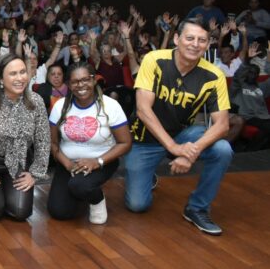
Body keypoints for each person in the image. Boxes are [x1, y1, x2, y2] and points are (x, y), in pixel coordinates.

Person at [125, 18, 232, 235]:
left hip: (183, 134)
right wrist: (174, 149)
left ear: (208, 44)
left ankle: (197, 208)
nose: (195, 44)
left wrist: (191, 152)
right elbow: (144, 110)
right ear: (176, 38)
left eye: (202, 40)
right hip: (144, 140)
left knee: (223, 149)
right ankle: (148, 174)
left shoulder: (214, 75)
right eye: (190, 38)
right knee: (137, 205)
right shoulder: (154, 60)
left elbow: (222, 125)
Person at [0, 54, 50, 222]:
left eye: (22, 72)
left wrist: (35, 174)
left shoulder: (36, 101)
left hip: (19, 162)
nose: (20, 78)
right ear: (1, 78)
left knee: (20, 212)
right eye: (13, 74)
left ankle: (6, 192)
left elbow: (43, 139)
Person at [48, 63, 132, 223]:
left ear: (94, 80)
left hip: (102, 161)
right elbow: (53, 143)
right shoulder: (60, 106)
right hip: (68, 163)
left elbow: (125, 143)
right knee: (59, 211)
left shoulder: (110, 106)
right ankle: (80, 192)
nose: (80, 85)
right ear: (68, 84)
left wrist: (97, 161)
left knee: (79, 186)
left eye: (85, 79)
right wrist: (67, 164)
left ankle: (96, 199)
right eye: (75, 81)